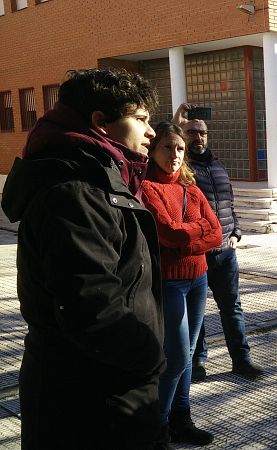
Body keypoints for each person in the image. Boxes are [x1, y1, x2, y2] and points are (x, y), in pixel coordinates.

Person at [0, 68, 166, 448]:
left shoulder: (101, 178)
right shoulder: (77, 192)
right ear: (100, 123)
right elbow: (91, 306)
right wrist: (150, 359)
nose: (152, 131)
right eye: (140, 119)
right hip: (92, 399)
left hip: (106, 387)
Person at [141, 122, 222, 446]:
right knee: (175, 357)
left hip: (198, 279)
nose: (174, 154)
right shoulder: (148, 188)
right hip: (170, 283)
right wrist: (194, 233)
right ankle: (156, 428)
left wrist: (186, 241)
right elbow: (168, 233)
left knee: (187, 355)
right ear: (153, 150)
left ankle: (181, 419)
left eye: (179, 149)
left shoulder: (192, 187)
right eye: (167, 147)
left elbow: (216, 233)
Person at [171, 103, 264, 382]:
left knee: (232, 307)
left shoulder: (217, 166)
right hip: (197, 255)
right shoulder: (181, 169)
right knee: (195, 312)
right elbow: (162, 151)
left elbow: (229, 204)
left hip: (225, 253)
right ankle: (197, 364)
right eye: (191, 133)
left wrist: (235, 232)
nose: (198, 137)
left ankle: (241, 359)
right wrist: (176, 124)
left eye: (202, 133)